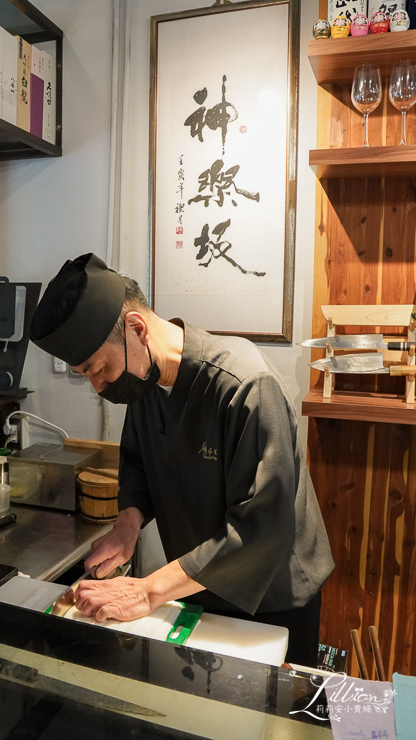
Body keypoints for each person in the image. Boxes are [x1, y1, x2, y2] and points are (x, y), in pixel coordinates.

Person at [29, 252, 334, 667]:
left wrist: (146, 591)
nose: (98, 387)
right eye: (86, 375)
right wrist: (127, 524)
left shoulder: (245, 385)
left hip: (272, 598)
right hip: (193, 586)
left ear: (136, 330)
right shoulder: (144, 382)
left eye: (98, 368)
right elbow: (137, 461)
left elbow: (261, 528)